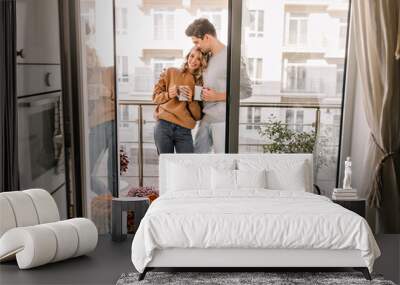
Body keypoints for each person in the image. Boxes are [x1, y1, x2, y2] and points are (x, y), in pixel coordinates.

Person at [185, 18, 252, 153]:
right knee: (197, 159)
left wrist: (218, 96)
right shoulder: (206, 58)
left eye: (197, 42)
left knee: (222, 163)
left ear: (207, 37)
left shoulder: (232, 57)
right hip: (205, 119)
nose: (196, 46)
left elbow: (247, 91)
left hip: (222, 121)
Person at [153, 47, 205, 154]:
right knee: (165, 165)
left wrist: (191, 100)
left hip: (184, 130)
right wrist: (168, 94)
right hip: (163, 125)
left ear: (202, 63)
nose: (194, 60)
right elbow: (155, 97)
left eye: (199, 59)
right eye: (192, 56)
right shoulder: (170, 72)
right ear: (187, 57)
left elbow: (197, 116)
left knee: (187, 165)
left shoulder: (199, 84)